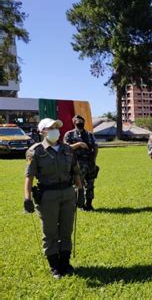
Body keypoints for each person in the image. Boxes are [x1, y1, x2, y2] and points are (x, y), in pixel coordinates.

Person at [24, 118, 83, 279]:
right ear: (42, 131)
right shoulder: (35, 151)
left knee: (66, 230)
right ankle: (54, 266)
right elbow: (29, 177)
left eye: (57, 127)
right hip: (47, 196)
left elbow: (75, 171)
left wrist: (81, 190)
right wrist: (27, 198)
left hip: (68, 193)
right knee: (50, 232)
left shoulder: (68, 149)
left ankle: (65, 263)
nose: (55, 130)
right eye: (51, 128)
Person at [63, 115, 99, 211]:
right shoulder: (69, 134)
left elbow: (95, 147)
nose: (80, 124)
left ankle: (89, 204)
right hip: (76, 164)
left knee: (90, 185)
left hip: (90, 163)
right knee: (78, 185)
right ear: (74, 123)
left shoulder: (89, 134)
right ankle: (79, 204)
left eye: (82, 122)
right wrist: (78, 144)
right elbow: (66, 148)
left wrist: (93, 160)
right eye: (78, 122)